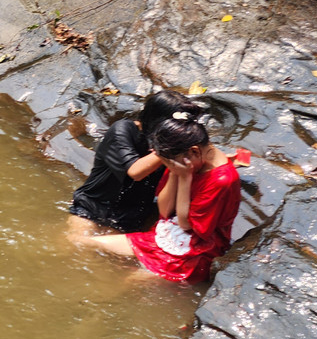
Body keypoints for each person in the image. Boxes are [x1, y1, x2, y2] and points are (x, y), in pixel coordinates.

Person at [83, 112, 241, 281]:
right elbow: (165, 211)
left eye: (171, 163)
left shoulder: (221, 180)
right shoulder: (184, 160)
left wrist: (185, 178)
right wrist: (174, 174)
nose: (170, 166)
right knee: (88, 244)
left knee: (129, 281)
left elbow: (187, 225)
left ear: (194, 151)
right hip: (168, 231)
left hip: (196, 250)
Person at [67, 89, 203, 238]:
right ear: (158, 121)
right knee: (77, 243)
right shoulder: (122, 130)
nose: (181, 131)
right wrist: (170, 145)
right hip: (91, 209)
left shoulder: (170, 145)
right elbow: (135, 172)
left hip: (131, 220)